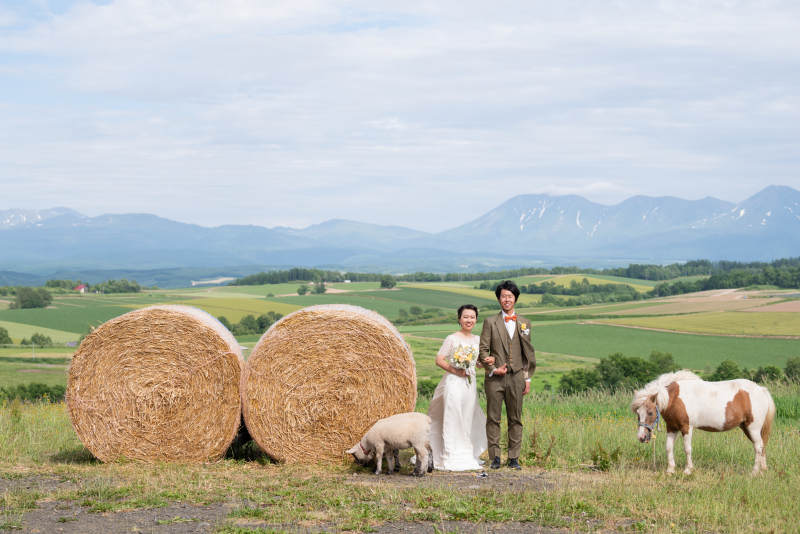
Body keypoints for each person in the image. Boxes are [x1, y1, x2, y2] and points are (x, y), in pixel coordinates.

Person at [427, 304, 493, 470]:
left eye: (472, 317)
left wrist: (487, 362)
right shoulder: (452, 338)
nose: (469, 320)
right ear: (459, 319)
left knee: (467, 416)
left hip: (469, 384)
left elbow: (477, 365)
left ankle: (466, 451)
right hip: (453, 383)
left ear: (476, 320)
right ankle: (450, 454)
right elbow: (439, 359)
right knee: (453, 415)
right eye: (465, 317)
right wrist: (455, 370)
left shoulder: (478, 340)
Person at [479, 280, 535, 470]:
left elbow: (527, 353)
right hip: (495, 378)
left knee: (516, 418)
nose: (507, 299)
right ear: (498, 299)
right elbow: (483, 350)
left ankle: (514, 458)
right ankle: (495, 457)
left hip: (517, 376)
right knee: (493, 418)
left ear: (515, 299)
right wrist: (493, 369)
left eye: (510, 296)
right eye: (503, 296)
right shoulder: (489, 322)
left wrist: (527, 378)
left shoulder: (525, 322)